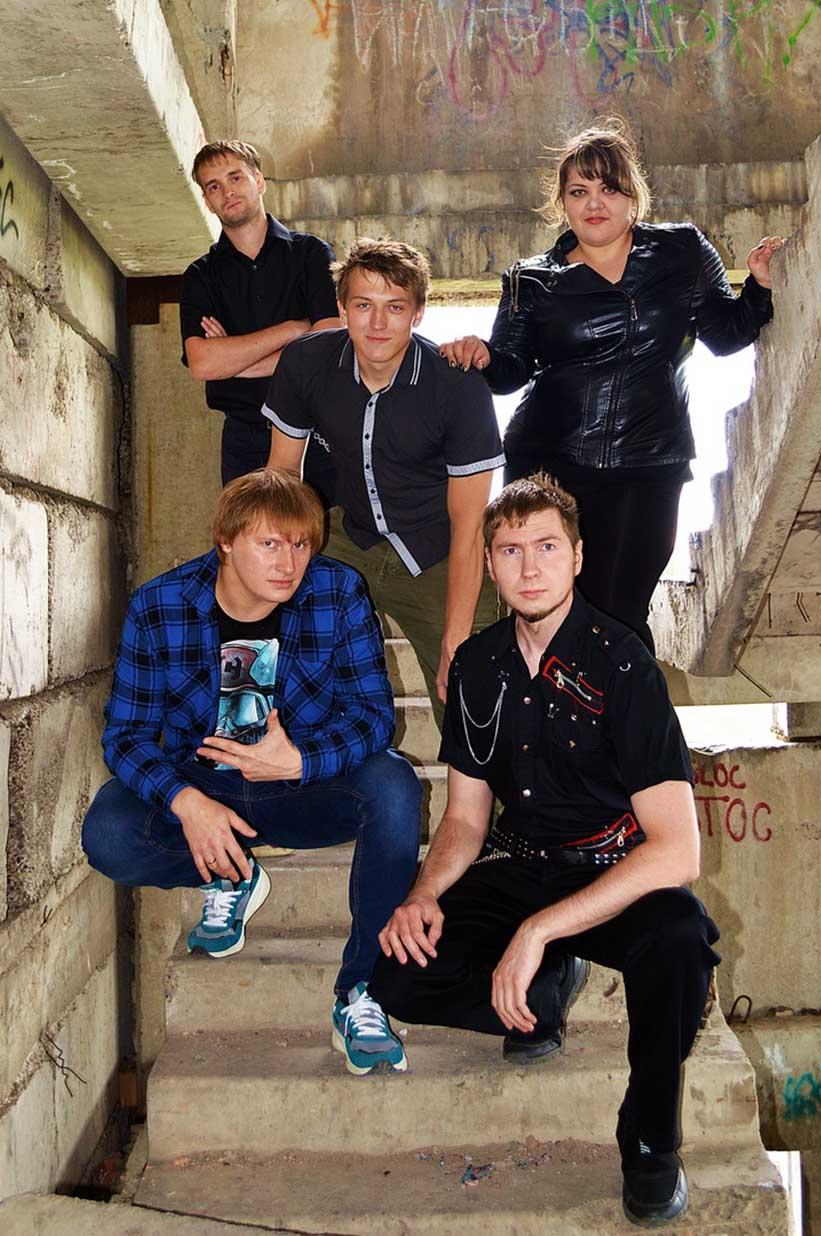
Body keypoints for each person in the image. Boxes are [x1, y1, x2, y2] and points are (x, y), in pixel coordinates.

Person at [370, 474, 720, 1224]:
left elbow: (677, 852)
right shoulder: (476, 666)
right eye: (511, 550)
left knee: (681, 944)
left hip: (611, 870)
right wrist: (423, 894)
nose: (530, 567)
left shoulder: (624, 665)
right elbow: (466, 819)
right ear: (490, 564)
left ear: (578, 557)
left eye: (547, 547)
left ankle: (650, 1141)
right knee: (397, 977)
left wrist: (537, 932)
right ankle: (544, 992)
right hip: (520, 863)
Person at [82, 468, 422, 1076]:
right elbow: (125, 736)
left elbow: (373, 717)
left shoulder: (339, 591)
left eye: (300, 544)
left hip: (301, 787)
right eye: (269, 543)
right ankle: (230, 872)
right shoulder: (160, 606)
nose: (289, 563)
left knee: (393, 783)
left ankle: (362, 991)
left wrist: (301, 761)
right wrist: (187, 801)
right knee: (108, 830)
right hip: (206, 785)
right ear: (225, 541)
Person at [441, 123, 782, 652]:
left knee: (621, 615)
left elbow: (726, 334)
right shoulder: (529, 278)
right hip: (548, 466)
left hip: (649, 465)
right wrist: (482, 356)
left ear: (633, 196)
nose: (594, 203)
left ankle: (628, 708)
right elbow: (510, 371)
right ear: (562, 203)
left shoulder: (683, 251)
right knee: (548, 613)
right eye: (579, 191)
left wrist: (758, 285)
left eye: (609, 188)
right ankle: (551, 704)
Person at [263, 237, 505, 722]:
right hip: (350, 537)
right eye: (363, 305)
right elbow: (281, 480)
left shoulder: (457, 384)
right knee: (273, 644)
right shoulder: (306, 362)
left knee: (473, 696)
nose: (377, 323)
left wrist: (455, 640)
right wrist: (268, 581)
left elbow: (469, 525)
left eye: (394, 307)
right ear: (341, 308)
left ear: (418, 313)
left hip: (438, 549)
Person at [181, 140, 340, 494]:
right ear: (207, 201)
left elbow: (329, 347)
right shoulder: (200, 276)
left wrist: (233, 361)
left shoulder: (311, 254)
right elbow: (202, 364)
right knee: (247, 531)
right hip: (244, 438)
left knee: (326, 531)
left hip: (316, 431)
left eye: (235, 177)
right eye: (214, 186)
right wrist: (294, 330)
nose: (227, 192)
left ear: (259, 180)